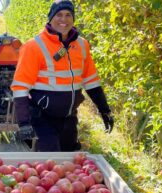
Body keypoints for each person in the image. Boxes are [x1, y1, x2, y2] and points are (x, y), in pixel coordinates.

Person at [11, 0, 114, 152]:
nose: (64, 20)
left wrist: (104, 110)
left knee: (70, 163)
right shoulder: (34, 46)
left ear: (73, 18)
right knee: (50, 164)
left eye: (68, 15)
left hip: (69, 118)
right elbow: (20, 86)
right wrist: (24, 123)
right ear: (50, 18)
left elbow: (91, 81)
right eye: (59, 15)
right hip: (42, 118)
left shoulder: (82, 45)